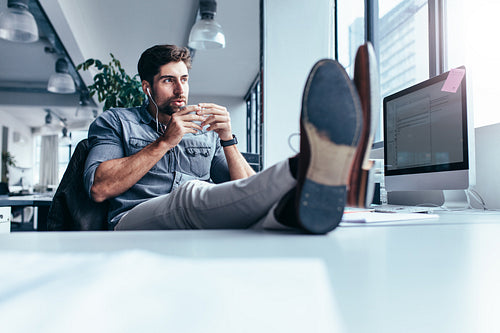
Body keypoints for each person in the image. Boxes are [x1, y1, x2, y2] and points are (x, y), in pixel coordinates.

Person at [83, 44, 365, 234]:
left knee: (247, 214)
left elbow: (243, 188)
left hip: (194, 221)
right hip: (130, 224)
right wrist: (165, 142)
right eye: (169, 80)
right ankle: (301, 167)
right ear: (147, 87)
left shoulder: (205, 130)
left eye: (184, 79)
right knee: (189, 195)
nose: (181, 89)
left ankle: (292, 210)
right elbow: (100, 188)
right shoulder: (116, 121)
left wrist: (227, 139)